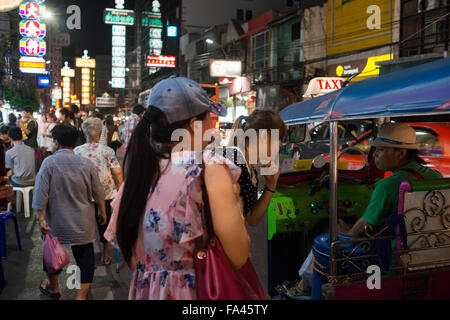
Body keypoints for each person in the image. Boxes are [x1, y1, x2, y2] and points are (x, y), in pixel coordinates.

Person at [104, 77, 250, 300]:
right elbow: (238, 256)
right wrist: (237, 207)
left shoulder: (138, 176)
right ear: (193, 125)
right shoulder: (208, 168)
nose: (213, 127)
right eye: (209, 118)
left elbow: (134, 260)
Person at [297, 122, 443, 293]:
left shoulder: (388, 186)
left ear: (401, 153)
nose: (375, 156)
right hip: (431, 252)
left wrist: (346, 232)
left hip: (389, 259)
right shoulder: (435, 176)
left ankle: (302, 289)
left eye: (381, 150)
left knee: (326, 242)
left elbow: (361, 228)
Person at [32, 124, 107, 300]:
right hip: (83, 223)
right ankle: (80, 297)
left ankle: (55, 288)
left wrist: (41, 218)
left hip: (57, 223)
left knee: (51, 255)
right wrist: (102, 211)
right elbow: (98, 192)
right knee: (85, 260)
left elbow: (41, 193)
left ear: (56, 142)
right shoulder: (86, 163)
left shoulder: (49, 162)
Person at [74, 117, 123, 266]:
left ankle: (85, 258)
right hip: (106, 192)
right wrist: (120, 188)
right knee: (105, 224)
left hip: (85, 194)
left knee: (86, 225)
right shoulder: (107, 150)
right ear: (101, 133)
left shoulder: (77, 151)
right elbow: (117, 172)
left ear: (84, 133)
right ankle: (105, 255)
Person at [224, 111, 286, 226]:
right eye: (280, 138)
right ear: (264, 136)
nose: (281, 144)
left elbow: (251, 219)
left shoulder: (250, 171)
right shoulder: (233, 161)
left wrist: (271, 184)